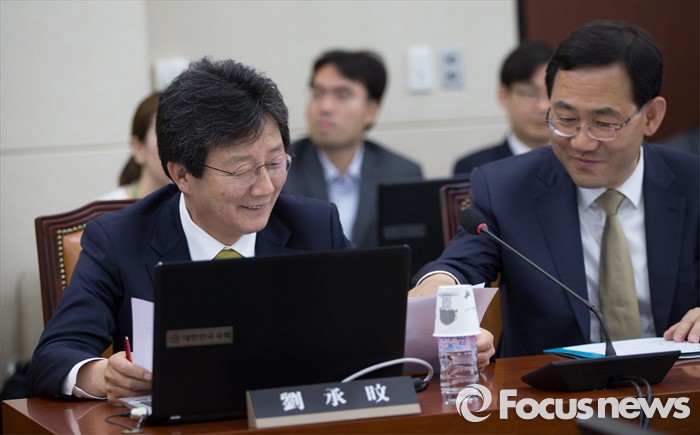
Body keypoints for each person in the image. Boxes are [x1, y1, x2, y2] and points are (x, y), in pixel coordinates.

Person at [27, 57, 356, 403]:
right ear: (182, 175)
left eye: (275, 163)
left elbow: (377, 318)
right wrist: (103, 376)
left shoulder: (315, 226)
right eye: (242, 171)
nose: (265, 187)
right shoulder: (120, 240)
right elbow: (53, 355)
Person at [410, 20, 699, 357]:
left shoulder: (692, 183)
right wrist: (439, 285)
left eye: (603, 123)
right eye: (565, 119)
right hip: (551, 386)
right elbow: (461, 264)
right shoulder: (506, 188)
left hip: (680, 381)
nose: (581, 142)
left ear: (650, 116)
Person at [283, 49, 423, 248]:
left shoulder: (402, 174)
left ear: (371, 110)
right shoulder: (281, 168)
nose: (325, 107)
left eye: (342, 95)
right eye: (318, 94)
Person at [454, 42, 553, 175]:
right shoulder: (475, 168)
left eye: (551, 94)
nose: (543, 107)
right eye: (529, 94)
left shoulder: (576, 164)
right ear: (503, 96)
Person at [98, 92, 171, 200]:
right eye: (164, 134)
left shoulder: (193, 206)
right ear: (138, 148)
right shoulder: (106, 207)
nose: (177, 145)